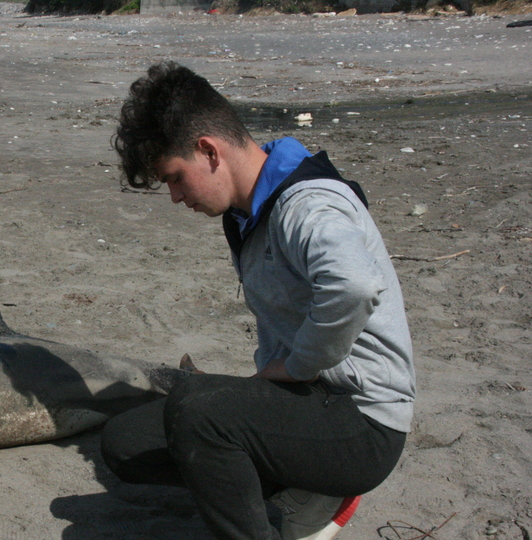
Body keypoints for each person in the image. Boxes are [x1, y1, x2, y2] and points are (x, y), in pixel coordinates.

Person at [101, 61, 416, 540]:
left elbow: (354, 285)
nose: (175, 197)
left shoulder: (308, 205)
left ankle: (314, 490)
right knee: (126, 444)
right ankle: (305, 488)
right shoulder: (249, 209)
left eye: (175, 178)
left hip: (363, 423)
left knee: (198, 412)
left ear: (209, 150)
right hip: (310, 404)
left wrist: (297, 366)